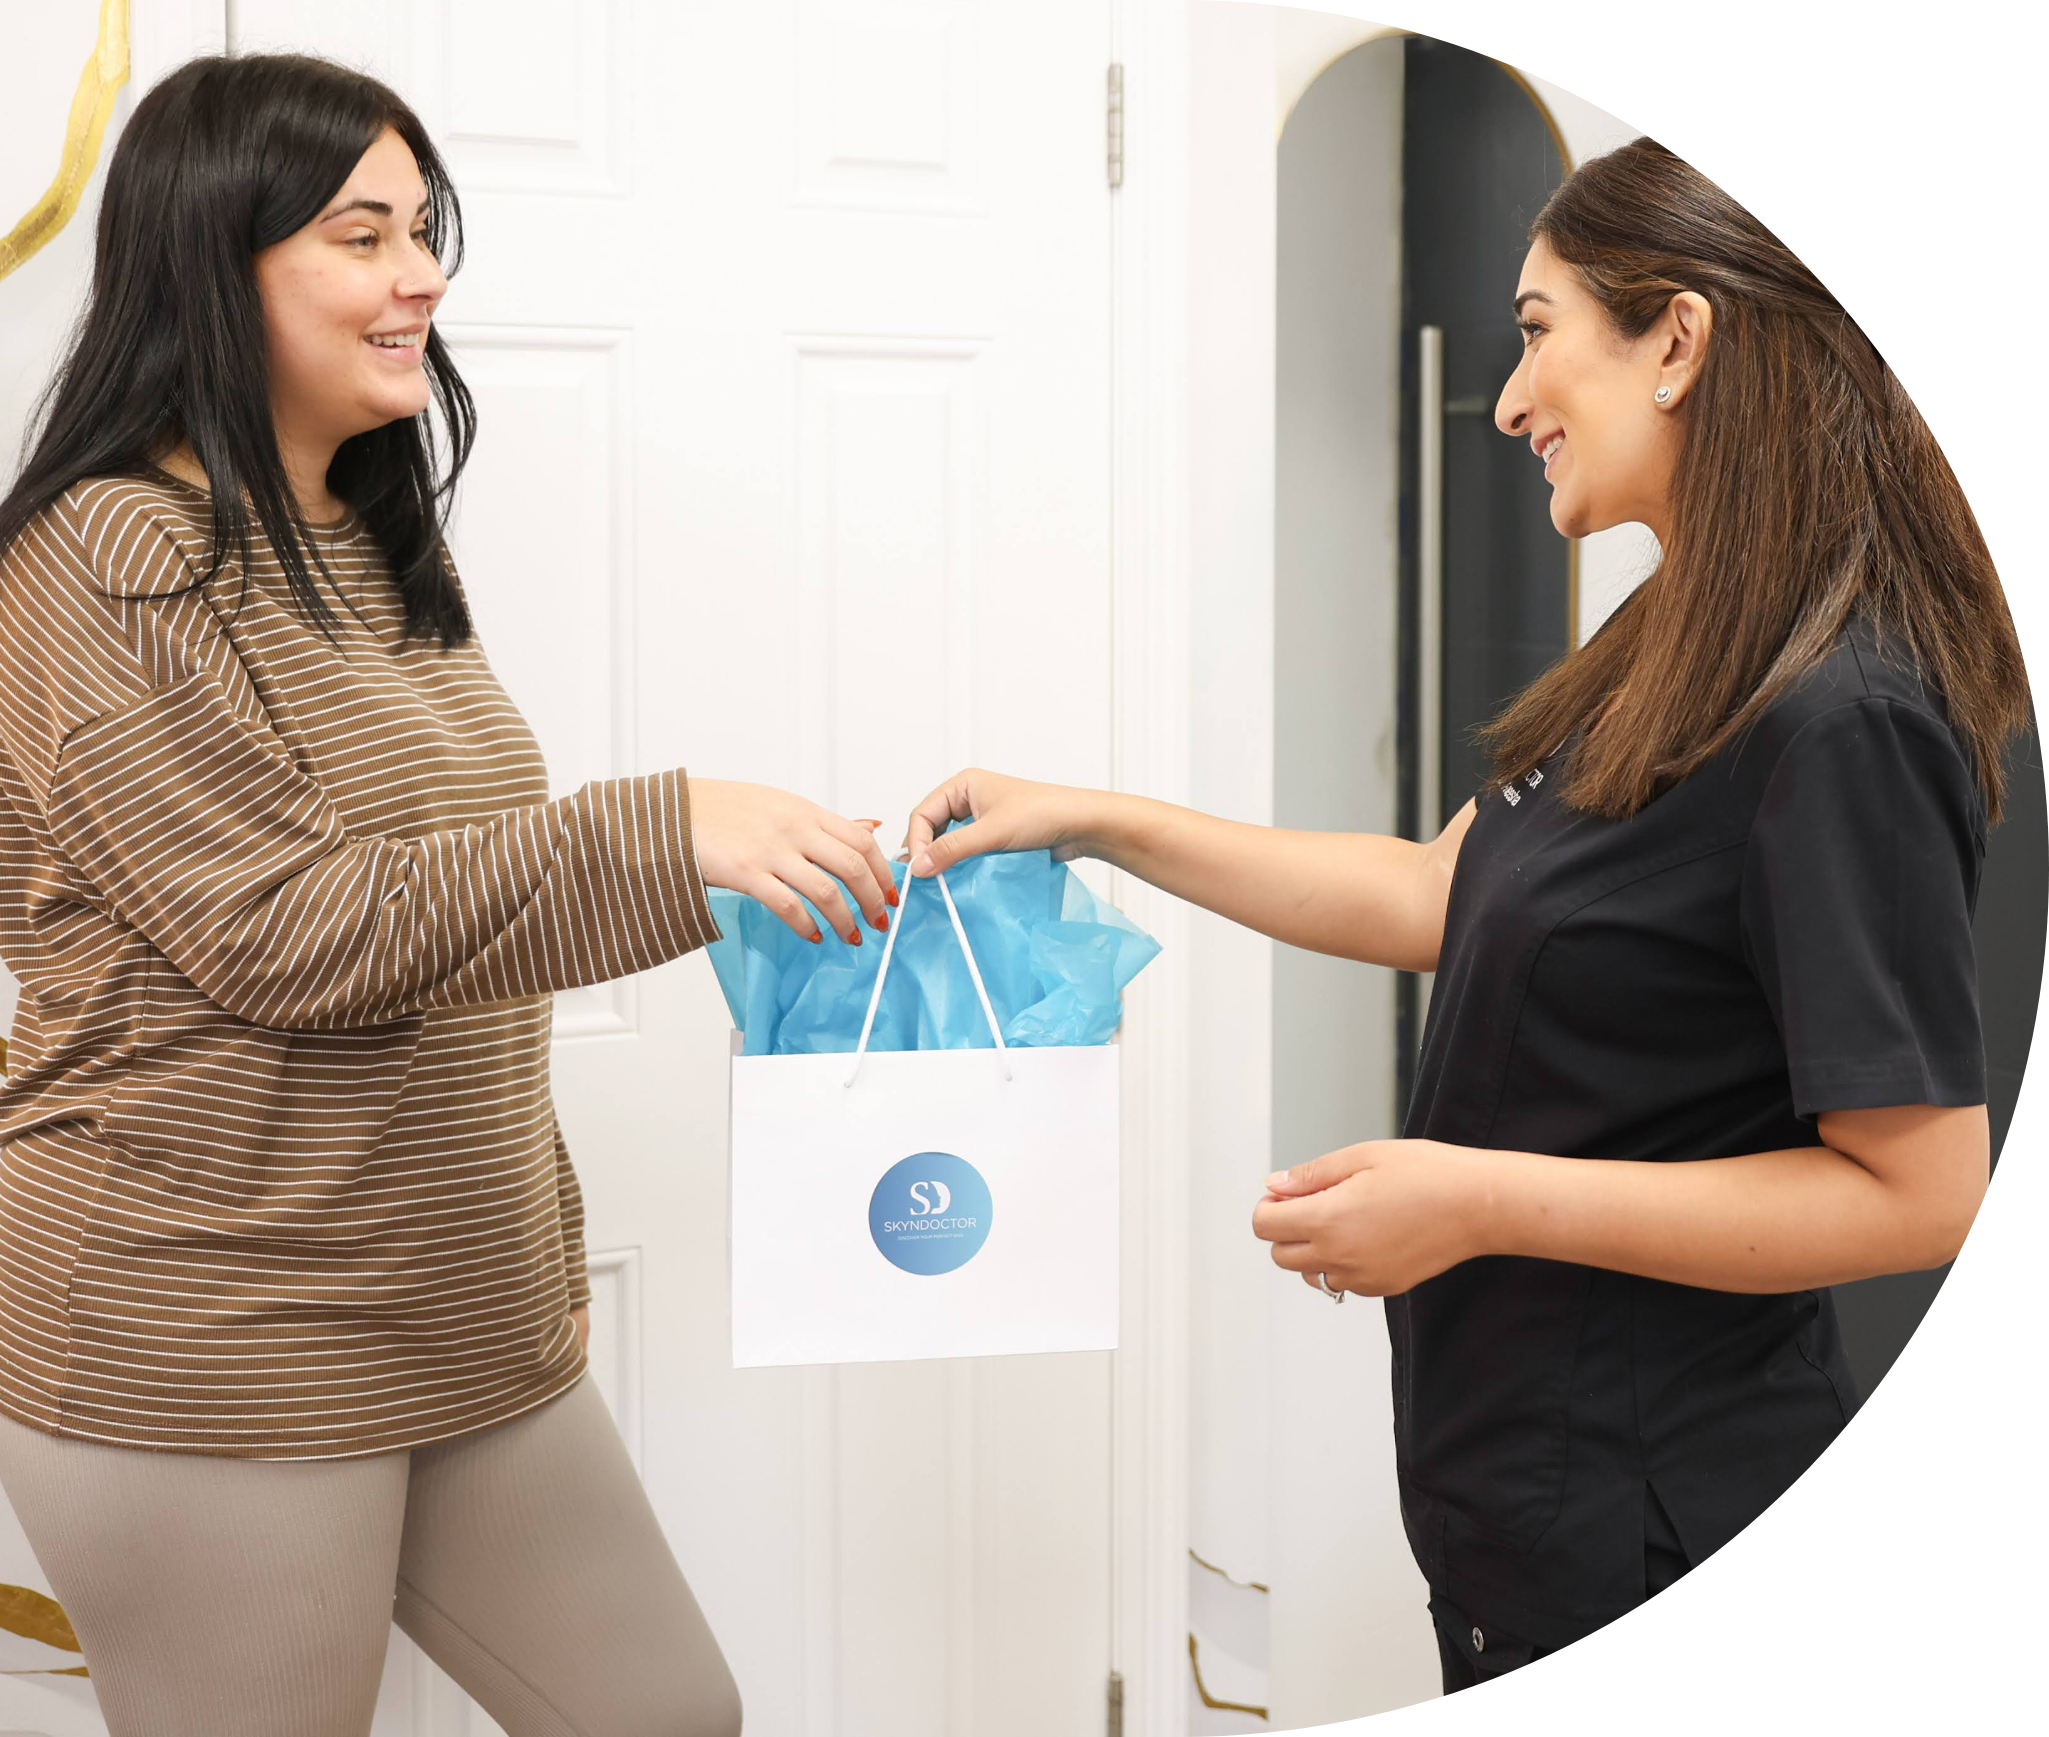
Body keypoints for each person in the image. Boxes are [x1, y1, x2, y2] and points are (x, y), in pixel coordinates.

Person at [901, 138, 2025, 1691]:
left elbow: (1919, 1197)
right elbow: (1445, 891)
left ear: (1679, 342)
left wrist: (1476, 1201)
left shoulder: (1844, 716)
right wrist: (1100, 820)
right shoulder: (1676, 632)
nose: (1506, 402)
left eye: (1538, 330)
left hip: (1657, 1517)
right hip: (1517, 1514)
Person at [0, 53, 895, 1736]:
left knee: (668, 1715)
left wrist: (530, 1236)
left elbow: (452, 923)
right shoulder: (106, 555)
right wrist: (662, 832)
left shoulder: (368, 534)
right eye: (362, 236)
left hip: (458, 1307)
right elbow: (281, 930)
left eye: (425, 230)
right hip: (217, 1327)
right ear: (212, 263)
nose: (419, 276)